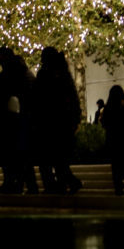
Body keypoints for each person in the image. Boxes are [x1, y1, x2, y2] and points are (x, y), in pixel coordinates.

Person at [31, 46, 82, 194]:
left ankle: (55, 185)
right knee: (60, 160)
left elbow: (38, 101)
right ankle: (65, 183)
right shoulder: (64, 75)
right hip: (62, 125)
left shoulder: (45, 75)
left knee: (47, 160)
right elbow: (72, 100)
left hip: (49, 125)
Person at [0, 47, 38, 194]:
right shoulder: (23, 71)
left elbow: (1, 96)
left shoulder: (9, 74)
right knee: (21, 155)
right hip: (21, 119)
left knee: (14, 156)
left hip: (13, 120)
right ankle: (26, 185)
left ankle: (15, 183)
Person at [101, 85, 124, 194]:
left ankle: (118, 187)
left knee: (115, 165)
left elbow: (104, 123)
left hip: (112, 140)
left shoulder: (108, 108)